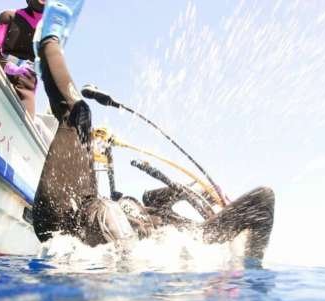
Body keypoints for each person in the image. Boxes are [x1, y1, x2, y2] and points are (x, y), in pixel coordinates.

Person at [31, 0, 275, 262]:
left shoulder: (195, 238)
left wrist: (243, 256)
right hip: (89, 223)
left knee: (78, 115)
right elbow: (153, 196)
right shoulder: (184, 232)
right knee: (81, 120)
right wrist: (199, 191)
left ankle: (49, 40)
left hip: (72, 221)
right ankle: (49, 46)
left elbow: (261, 201)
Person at [0, 0, 45, 116]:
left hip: (27, 82)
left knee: (24, 123)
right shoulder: (8, 16)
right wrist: (9, 67)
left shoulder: (49, 33)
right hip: (0, 72)